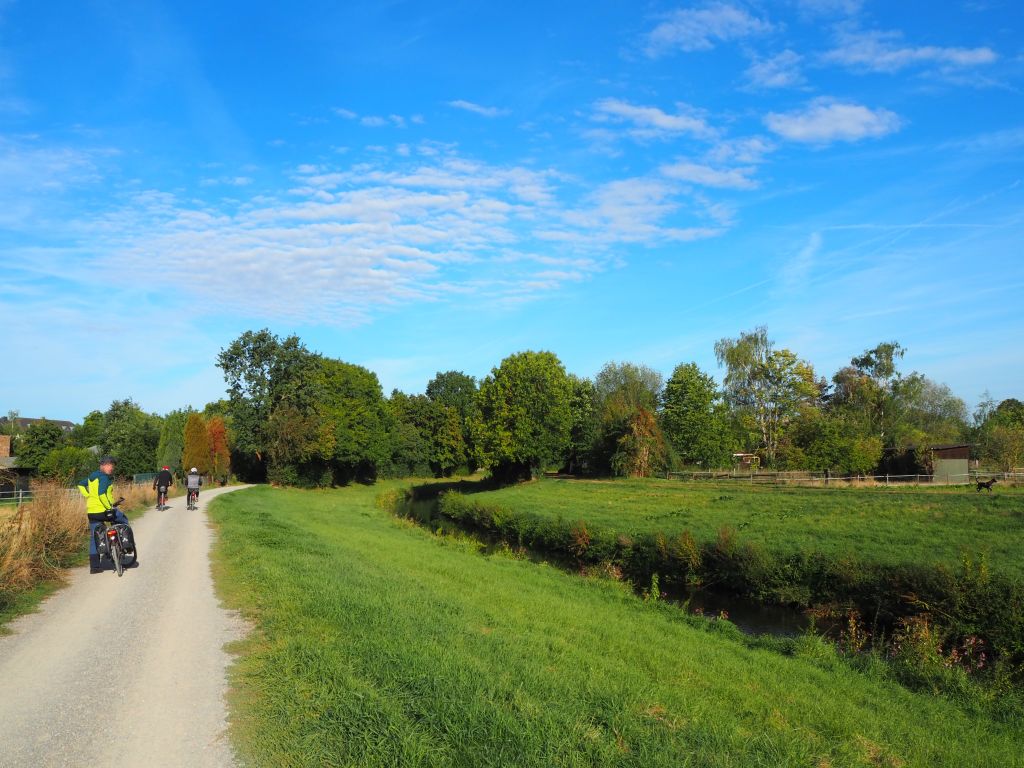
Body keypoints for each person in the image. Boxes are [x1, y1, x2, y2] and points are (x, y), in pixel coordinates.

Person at [78, 455, 135, 573]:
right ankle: (126, 545)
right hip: (104, 510)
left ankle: (95, 567)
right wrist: (109, 507)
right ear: (102, 465)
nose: (111, 468)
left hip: (92, 512)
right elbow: (101, 494)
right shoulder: (104, 478)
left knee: (94, 536)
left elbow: (80, 484)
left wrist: (87, 495)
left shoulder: (92, 477)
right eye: (109, 465)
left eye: (112, 465)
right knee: (123, 520)